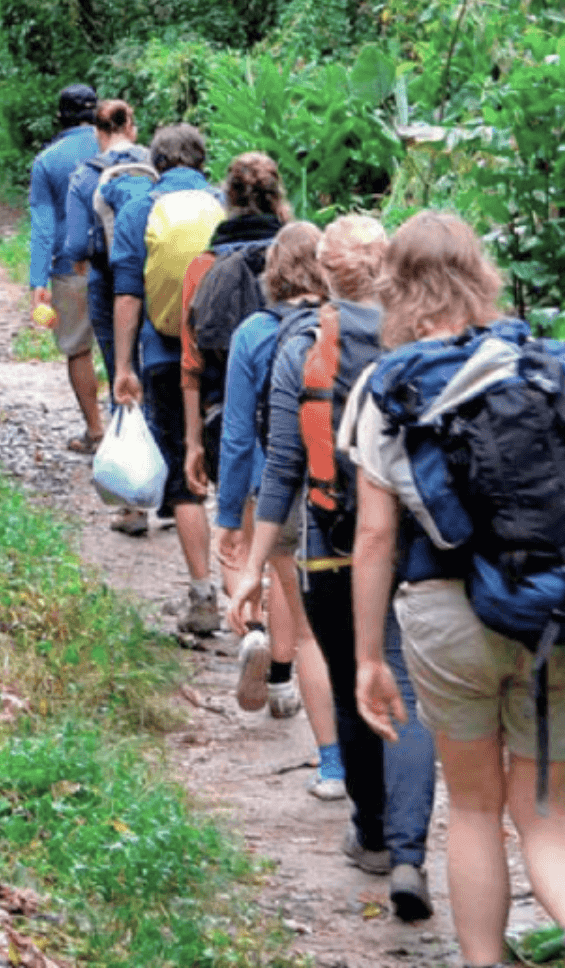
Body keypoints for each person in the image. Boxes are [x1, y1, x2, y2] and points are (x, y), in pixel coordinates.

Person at [350, 211, 565, 968]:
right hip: (560, 603)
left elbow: (375, 537)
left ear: (394, 285)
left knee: (473, 807)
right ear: (481, 274)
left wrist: (369, 658)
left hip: (448, 615)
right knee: (545, 807)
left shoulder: (387, 385)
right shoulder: (548, 365)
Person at [227, 215, 436, 922]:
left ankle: (371, 834)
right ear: (387, 266)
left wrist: (253, 566)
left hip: (330, 545)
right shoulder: (420, 340)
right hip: (413, 546)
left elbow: (283, 465)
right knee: (405, 688)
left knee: (353, 687)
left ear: (325, 273)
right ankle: (409, 855)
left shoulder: (303, 347)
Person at [199, 222, 344, 795]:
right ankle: (374, 757)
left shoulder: (255, 333)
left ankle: (332, 765)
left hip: (280, 492)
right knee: (359, 628)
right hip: (351, 493)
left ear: (273, 272)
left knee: (309, 629)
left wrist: (228, 518)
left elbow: (237, 436)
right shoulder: (350, 325)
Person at [178, 154, 299, 717]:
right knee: (282, 560)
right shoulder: (297, 258)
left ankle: (250, 628)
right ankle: (282, 677)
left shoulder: (203, 266)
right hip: (291, 425)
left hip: (227, 416)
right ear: (279, 199)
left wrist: (192, 442)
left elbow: (191, 362)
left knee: (239, 541)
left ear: (226, 200)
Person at [112, 123, 225, 633]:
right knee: (242, 475)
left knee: (184, 478)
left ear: (155, 165)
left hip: (166, 356)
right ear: (202, 162)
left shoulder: (138, 209)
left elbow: (127, 296)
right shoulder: (225, 206)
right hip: (229, 356)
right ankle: (255, 605)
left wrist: (123, 367)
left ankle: (203, 597)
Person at [63, 98, 156, 534]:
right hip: (157, 278)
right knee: (158, 374)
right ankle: (171, 494)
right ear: (131, 127)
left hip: (108, 283)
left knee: (123, 374)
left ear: (98, 132)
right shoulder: (155, 166)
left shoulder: (86, 175)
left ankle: (134, 504)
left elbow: (76, 246)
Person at [29, 83, 103, 453]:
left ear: (61, 117)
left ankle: (96, 432)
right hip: (122, 264)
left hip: (69, 268)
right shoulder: (118, 150)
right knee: (127, 350)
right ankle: (136, 433)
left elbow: (43, 226)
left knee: (78, 348)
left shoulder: (48, 161)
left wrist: (37, 281)